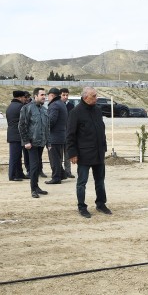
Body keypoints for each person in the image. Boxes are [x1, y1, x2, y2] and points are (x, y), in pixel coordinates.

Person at [66, 86, 111, 218]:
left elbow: (101, 130)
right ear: (85, 97)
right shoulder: (76, 112)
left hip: (98, 153)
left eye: (96, 95)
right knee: (82, 182)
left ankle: (101, 203)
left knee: (100, 181)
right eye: (94, 96)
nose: (96, 98)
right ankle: (82, 206)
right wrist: (72, 153)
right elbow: (70, 135)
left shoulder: (97, 110)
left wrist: (104, 147)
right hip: (84, 154)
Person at [19, 87, 50, 198]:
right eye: (42, 95)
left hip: (41, 143)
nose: (44, 97)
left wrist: (48, 142)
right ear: (35, 96)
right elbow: (22, 126)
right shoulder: (27, 108)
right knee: (33, 166)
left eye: (45, 95)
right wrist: (26, 141)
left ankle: (37, 186)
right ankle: (33, 189)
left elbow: (47, 127)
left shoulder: (44, 110)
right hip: (31, 143)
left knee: (37, 166)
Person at [46, 87, 68, 184]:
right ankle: (62, 174)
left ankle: (56, 178)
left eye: (48, 96)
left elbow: (51, 121)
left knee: (54, 158)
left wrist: (45, 127)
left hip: (54, 137)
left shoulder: (54, 105)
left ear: (52, 95)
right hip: (60, 135)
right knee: (58, 157)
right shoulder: (61, 104)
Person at [6, 90, 28, 181]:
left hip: (12, 134)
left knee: (17, 156)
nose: (25, 99)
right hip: (17, 135)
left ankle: (19, 173)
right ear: (19, 98)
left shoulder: (10, 106)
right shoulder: (21, 107)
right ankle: (12, 175)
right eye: (23, 97)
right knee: (14, 156)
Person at [60, 87, 75, 179]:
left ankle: (68, 171)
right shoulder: (56, 105)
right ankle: (60, 171)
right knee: (59, 154)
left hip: (68, 133)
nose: (65, 97)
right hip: (59, 133)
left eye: (67, 95)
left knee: (67, 153)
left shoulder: (71, 106)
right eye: (63, 95)